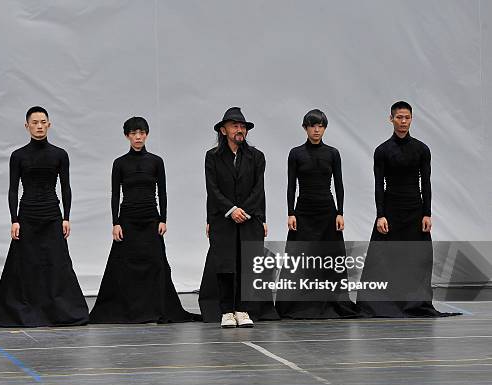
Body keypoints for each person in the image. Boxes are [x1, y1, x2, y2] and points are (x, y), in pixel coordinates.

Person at [90, 117, 199, 323]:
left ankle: (155, 307)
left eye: (141, 133)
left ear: (146, 134)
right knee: (123, 265)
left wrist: (163, 219)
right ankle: (127, 309)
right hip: (128, 219)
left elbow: (163, 193)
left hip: (151, 218)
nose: (138, 137)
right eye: (133, 133)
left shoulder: (156, 161)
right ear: (127, 136)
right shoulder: (120, 163)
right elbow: (115, 195)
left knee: (156, 264)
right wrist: (116, 223)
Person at [356, 101, 458, 317]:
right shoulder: (382, 150)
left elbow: (426, 184)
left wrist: (427, 213)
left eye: (407, 118)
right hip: (391, 210)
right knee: (384, 258)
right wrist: (380, 215)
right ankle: (380, 304)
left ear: (411, 119)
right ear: (391, 119)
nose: (403, 122)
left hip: (415, 210)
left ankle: (414, 303)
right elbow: (378, 185)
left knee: (416, 258)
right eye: (399, 117)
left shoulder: (421, 149)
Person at [0, 106, 89, 327]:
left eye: (43, 122)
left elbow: (66, 188)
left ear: (49, 124)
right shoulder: (18, 156)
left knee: (57, 263)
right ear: (27, 126)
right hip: (27, 215)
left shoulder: (59, 154)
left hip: (52, 214)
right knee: (24, 264)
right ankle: (25, 311)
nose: (39, 126)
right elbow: (13, 189)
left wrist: (66, 217)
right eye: (35, 122)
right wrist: (14, 219)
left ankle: (59, 311)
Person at [275, 109, 360, 319]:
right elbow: (291, 186)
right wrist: (290, 213)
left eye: (320, 126)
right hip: (303, 211)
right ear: (305, 128)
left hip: (327, 212)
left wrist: (340, 212)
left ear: (324, 128)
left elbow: (339, 184)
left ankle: (332, 301)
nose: (316, 129)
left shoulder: (332, 153)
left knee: (330, 257)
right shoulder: (296, 153)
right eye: (312, 125)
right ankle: (296, 304)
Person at [198, 107, 279, 327]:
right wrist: (231, 210)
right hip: (223, 219)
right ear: (223, 130)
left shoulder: (256, 157)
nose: (239, 130)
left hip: (249, 218)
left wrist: (253, 214)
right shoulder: (212, 157)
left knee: (246, 264)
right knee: (225, 265)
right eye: (235, 126)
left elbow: (258, 189)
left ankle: (242, 310)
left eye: (242, 126)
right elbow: (212, 189)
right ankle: (226, 311)